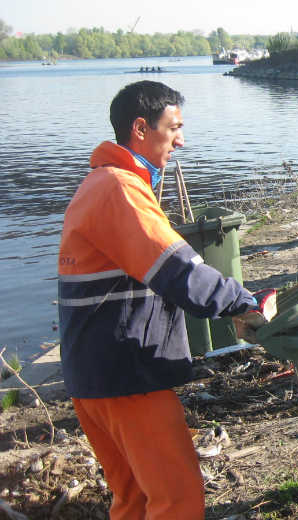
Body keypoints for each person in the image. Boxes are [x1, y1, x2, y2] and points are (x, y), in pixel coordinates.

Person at [58, 80, 260, 519]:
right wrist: (245, 303)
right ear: (140, 128)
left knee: (133, 500)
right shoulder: (119, 189)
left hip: (92, 377)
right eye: (174, 128)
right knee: (177, 499)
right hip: (127, 376)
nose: (181, 140)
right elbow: (178, 271)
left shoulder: (96, 185)